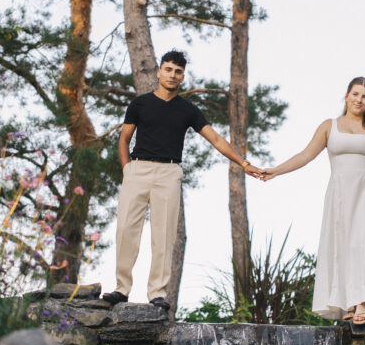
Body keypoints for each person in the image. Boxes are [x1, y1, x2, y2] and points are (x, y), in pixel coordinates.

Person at [102, 50, 263, 310]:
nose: (172, 75)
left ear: (182, 76)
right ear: (159, 71)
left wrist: (243, 163)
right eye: (168, 69)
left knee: (164, 235)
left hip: (169, 173)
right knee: (125, 231)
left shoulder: (188, 110)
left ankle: (157, 292)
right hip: (138, 169)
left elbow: (217, 139)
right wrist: (127, 170)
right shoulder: (140, 103)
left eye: (177, 72)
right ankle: (121, 288)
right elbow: (124, 139)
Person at [262, 76, 365, 326]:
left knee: (363, 243)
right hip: (340, 193)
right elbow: (305, 155)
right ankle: (346, 301)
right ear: (346, 96)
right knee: (342, 243)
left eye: (364, 96)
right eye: (355, 94)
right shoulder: (329, 126)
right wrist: (275, 170)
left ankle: (362, 301)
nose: (359, 100)